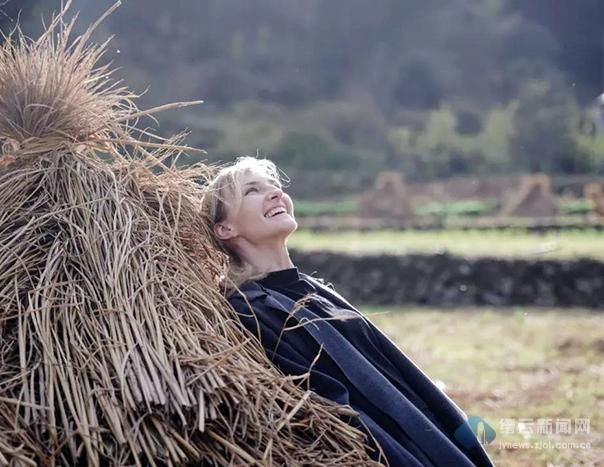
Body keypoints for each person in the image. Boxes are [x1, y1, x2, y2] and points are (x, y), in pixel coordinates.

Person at [201, 157, 494, 467]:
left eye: (275, 186)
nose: (275, 193)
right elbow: (323, 404)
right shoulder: (251, 308)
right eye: (252, 191)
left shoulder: (313, 289)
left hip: (418, 433)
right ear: (224, 228)